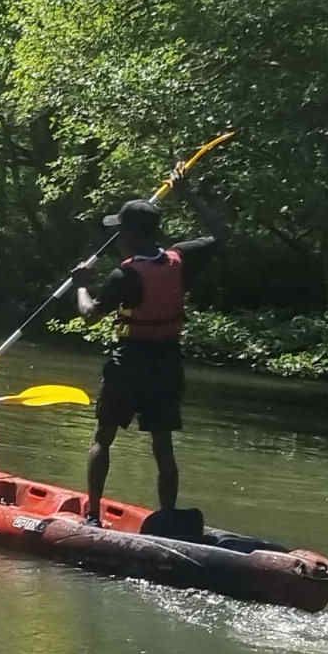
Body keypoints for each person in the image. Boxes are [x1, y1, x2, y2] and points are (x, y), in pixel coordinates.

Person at [70, 198, 218, 528]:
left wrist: (81, 286)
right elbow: (219, 234)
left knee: (102, 438)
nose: (119, 237)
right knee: (162, 444)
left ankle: (92, 515)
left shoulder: (124, 275)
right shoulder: (182, 258)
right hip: (167, 363)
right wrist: (189, 192)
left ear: (132, 234)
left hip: (130, 362)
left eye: (121, 230)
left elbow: (90, 316)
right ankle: (168, 514)